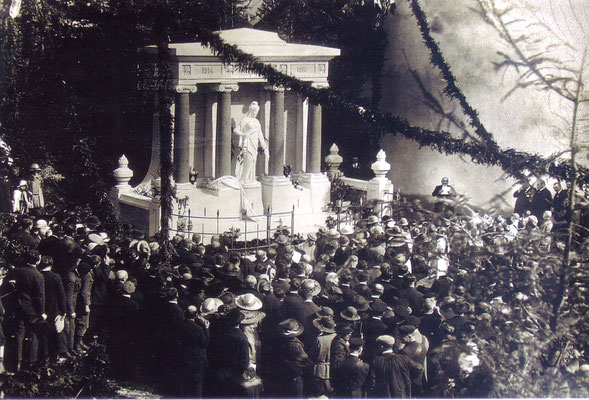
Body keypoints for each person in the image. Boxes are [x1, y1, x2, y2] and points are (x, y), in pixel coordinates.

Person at [233, 101, 268, 184]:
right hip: (248, 143)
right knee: (248, 160)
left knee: (253, 161)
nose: (257, 113)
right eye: (256, 111)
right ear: (252, 111)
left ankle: (251, 178)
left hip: (255, 143)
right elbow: (235, 130)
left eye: (257, 112)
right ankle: (244, 178)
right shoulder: (246, 120)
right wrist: (244, 134)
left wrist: (263, 144)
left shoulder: (257, 122)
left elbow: (260, 134)